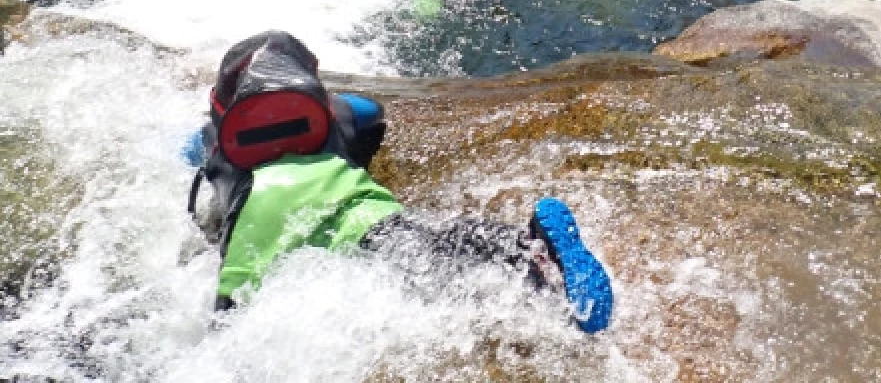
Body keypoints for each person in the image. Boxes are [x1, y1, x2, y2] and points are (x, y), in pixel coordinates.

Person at [185, 31, 614, 333]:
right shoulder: (341, 118)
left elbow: (185, 155)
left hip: (257, 238)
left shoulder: (213, 146)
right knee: (431, 246)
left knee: (236, 324)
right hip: (357, 211)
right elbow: (371, 111)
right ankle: (532, 249)